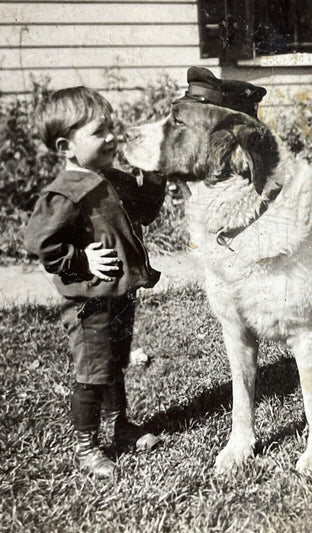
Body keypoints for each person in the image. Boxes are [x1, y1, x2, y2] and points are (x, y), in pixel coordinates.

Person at [24, 86, 166, 479]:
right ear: (66, 146)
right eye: (99, 132)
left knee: (114, 363)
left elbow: (146, 211)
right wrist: (81, 259)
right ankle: (86, 446)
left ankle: (121, 429)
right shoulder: (63, 194)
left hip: (118, 295)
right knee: (92, 371)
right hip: (89, 303)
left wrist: (154, 175)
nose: (111, 138)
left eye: (111, 128)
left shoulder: (112, 179)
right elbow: (41, 243)